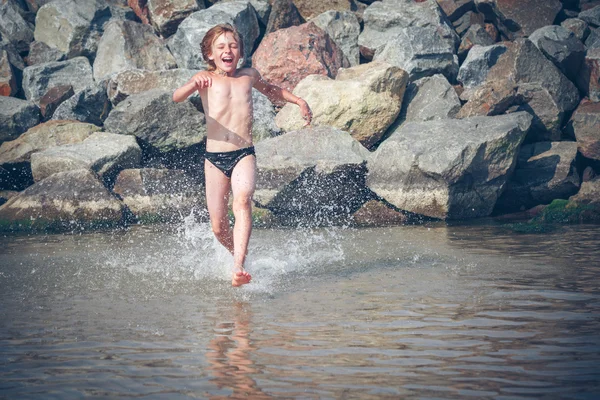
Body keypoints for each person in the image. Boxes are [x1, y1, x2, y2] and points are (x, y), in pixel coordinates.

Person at [173, 23, 312, 287]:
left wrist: (298, 101)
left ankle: (237, 267)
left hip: (243, 154)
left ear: (240, 53)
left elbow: (272, 90)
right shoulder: (205, 78)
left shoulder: (248, 75)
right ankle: (240, 258)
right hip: (214, 159)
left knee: (243, 200)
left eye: (233, 46)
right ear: (210, 54)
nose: (228, 51)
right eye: (221, 47)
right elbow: (176, 97)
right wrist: (192, 83)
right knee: (217, 227)